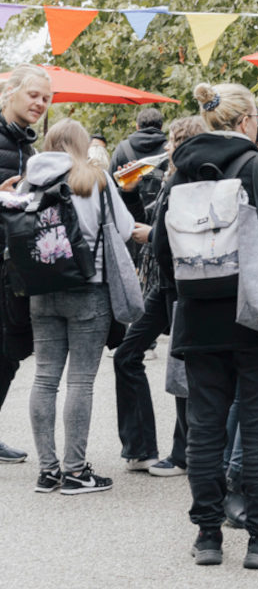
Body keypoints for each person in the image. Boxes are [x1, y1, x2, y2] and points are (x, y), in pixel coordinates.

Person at [153, 82, 258, 570]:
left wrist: (188, 302)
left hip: (201, 320)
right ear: (249, 121)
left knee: (204, 432)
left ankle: (207, 537)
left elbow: (162, 252)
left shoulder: (178, 174)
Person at [23, 119, 135, 494]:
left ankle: (47, 470)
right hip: (89, 287)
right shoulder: (96, 180)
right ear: (83, 144)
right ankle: (75, 471)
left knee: (44, 378)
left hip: (42, 289)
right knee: (81, 381)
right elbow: (122, 228)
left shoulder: (30, 180)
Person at [123, 116, 209, 479]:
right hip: (162, 281)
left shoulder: (190, 178)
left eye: (173, 141)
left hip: (179, 281)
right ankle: (141, 448)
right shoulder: (168, 179)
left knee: (182, 365)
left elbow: (186, 230)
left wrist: (152, 233)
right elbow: (150, 221)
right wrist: (127, 192)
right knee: (127, 354)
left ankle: (183, 454)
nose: (167, 147)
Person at [0, 63, 49, 464]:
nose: (40, 103)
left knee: (10, 352)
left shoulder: (27, 147)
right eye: (34, 94)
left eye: (46, 99)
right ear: (10, 91)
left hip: (12, 267)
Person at [110, 106, 168, 224]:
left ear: (137, 126)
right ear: (161, 127)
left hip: (130, 218)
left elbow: (110, 185)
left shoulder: (122, 149)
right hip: (161, 218)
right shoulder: (169, 150)